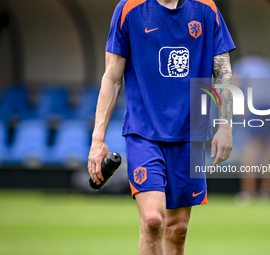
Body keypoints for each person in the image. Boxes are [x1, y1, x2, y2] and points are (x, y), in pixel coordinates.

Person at [88, 0, 235, 254]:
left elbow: (222, 72)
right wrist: (97, 139)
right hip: (144, 132)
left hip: (191, 134)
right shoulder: (129, 9)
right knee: (154, 220)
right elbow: (112, 78)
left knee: (178, 229)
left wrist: (225, 125)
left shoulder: (206, 8)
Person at [233, 54, 270, 204]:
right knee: (267, 148)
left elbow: (235, 83)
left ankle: (248, 192)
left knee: (251, 148)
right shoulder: (269, 66)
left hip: (255, 106)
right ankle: (267, 193)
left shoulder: (243, 64)